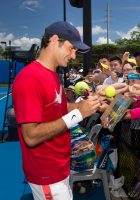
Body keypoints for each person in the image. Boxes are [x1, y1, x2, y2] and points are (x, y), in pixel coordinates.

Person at [12, 21, 101, 199]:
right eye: (71, 48)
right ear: (54, 40)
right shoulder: (30, 78)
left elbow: (60, 108)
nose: (74, 55)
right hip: (46, 172)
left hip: (59, 166)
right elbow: (31, 136)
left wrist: (85, 107)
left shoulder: (51, 74)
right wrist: (78, 114)